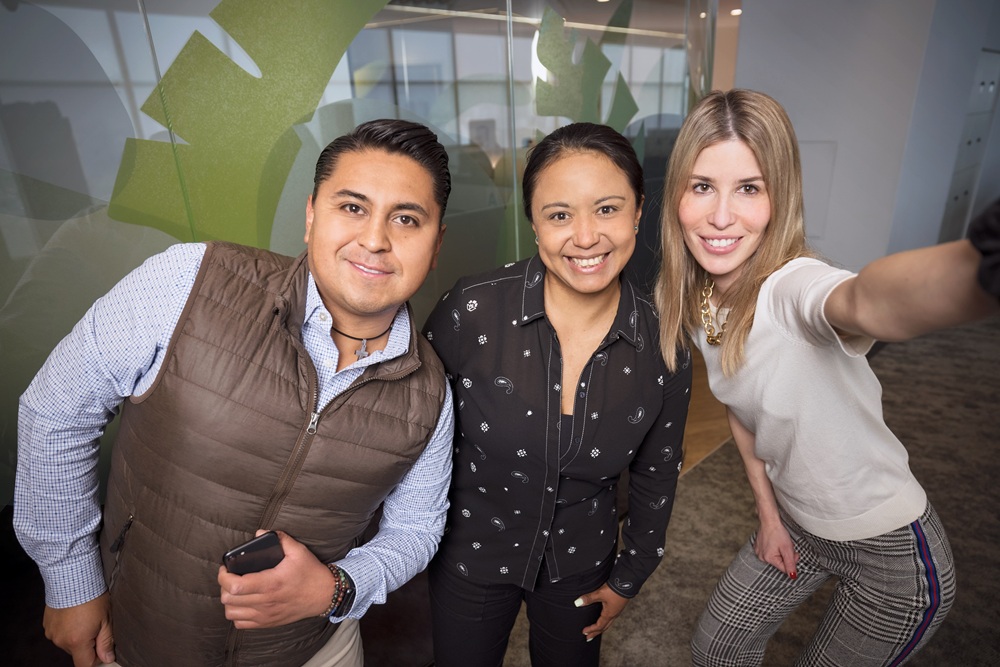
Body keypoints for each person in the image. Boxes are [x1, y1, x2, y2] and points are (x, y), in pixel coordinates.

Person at [14, 118, 455, 667]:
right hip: (140, 640)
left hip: (315, 652)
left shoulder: (431, 391)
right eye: (352, 207)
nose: (374, 240)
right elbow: (56, 413)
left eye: (406, 219)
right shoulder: (190, 281)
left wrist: (336, 589)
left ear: (436, 244)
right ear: (311, 215)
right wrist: (70, 583)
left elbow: (415, 529)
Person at [654, 89, 1000, 666]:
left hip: (891, 557)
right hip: (796, 522)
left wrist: (978, 266)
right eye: (702, 186)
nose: (721, 216)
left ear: (780, 196)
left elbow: (863, 301)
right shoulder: (701, 300)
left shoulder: (791, 288)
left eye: (749, 188)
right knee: (717, 650)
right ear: (677, 197)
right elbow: (742, 411)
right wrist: (768, 516)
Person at [422, 122, 692, 667]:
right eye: (560, 215)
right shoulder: (472, 309)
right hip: (472, 550)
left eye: (607, 209)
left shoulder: (665, 345)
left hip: (581, 561)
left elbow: (658, 471)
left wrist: (632, 573)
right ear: (534, 224)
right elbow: (413, 426)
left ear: (639, 212)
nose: (586, 237)